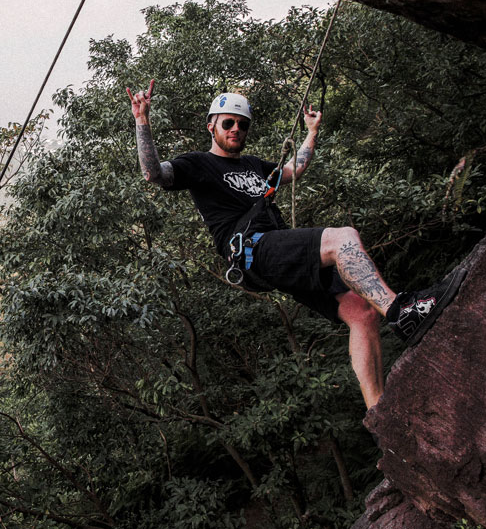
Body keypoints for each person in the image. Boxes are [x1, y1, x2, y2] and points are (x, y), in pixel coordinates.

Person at [128, 81, 464, 409]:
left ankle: (378, 412)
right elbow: (153, 174)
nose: (235, 130)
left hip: (276, 253)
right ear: (211, 126)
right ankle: (400, 310)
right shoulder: (197, 164)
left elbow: (294, 169)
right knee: (342, 237)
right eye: (227, 123)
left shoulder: (254, 166)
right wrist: (142, 120)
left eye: (242, 125)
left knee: (360, 313)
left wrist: (312, 131)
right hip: (252, 248)